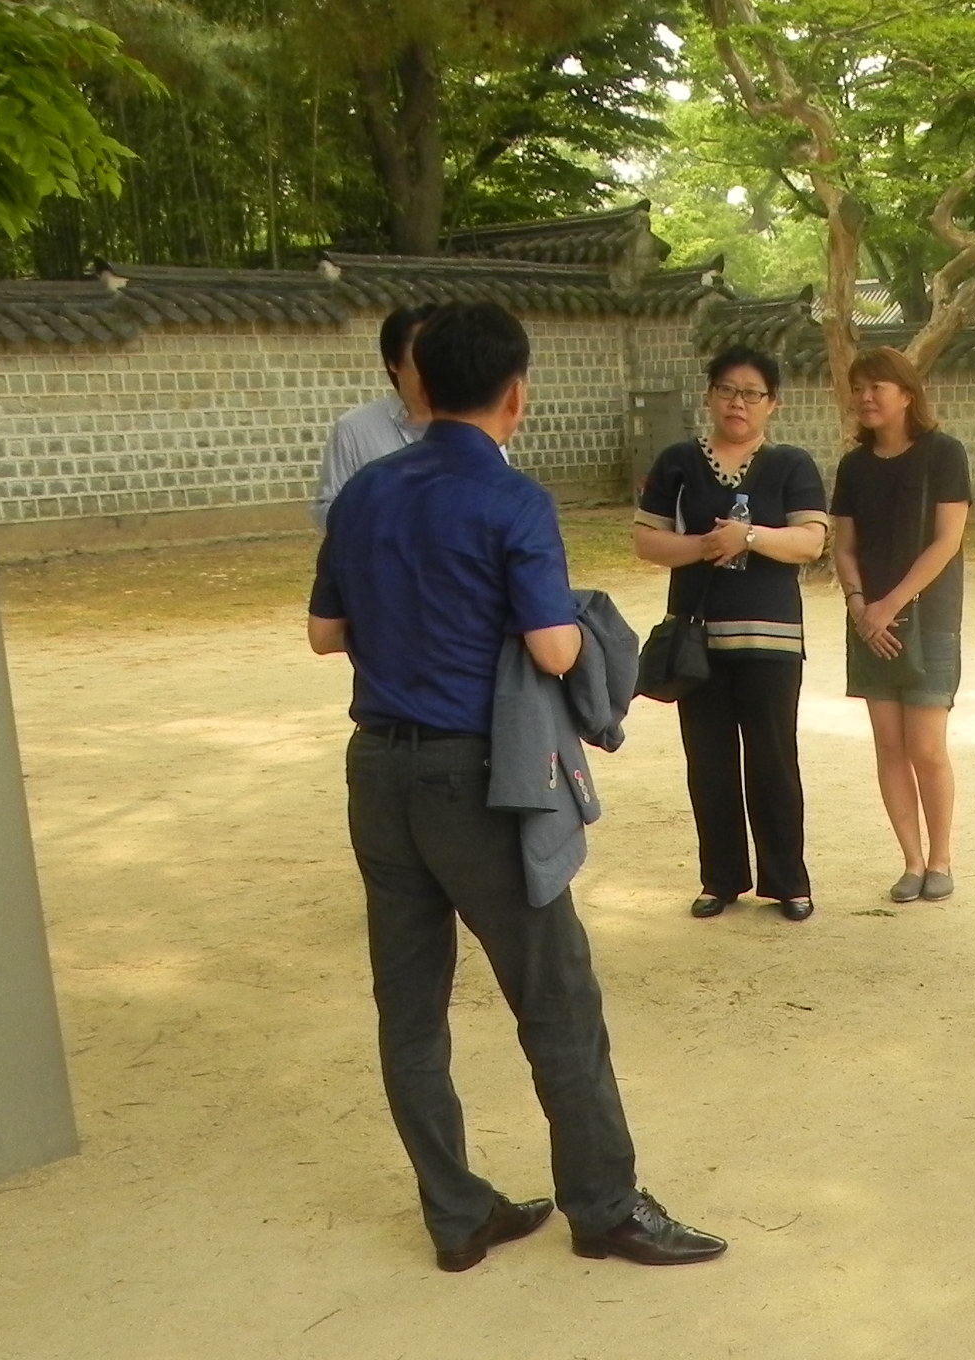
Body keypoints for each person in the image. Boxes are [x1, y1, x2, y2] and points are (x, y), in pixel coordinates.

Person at [308, 302, 724, 1270]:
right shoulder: (512, 499)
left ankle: (456, 1213)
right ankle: (604, 1205)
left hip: (378, 768)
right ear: (515, 394)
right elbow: (552, 646)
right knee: (555, 996)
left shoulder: (365, 491)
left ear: (417, 384)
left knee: (410, 1007)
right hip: (478, 774)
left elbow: (325, 633)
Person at [632, 346, 831, 921]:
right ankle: (720, 879)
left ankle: (788, 882)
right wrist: (704, 545)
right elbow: (646, 541)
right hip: (697, 640)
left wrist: (748, 537)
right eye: (726, 390)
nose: (737, 403)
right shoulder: (677, 462)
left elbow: (810, 541)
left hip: (771, 641)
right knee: (709, 762)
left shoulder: (791, 465)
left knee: (774, 760)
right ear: (709, 395)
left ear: (772, 403)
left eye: (751, 393)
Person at [830, 347, 973, 903]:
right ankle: (911, 862)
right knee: (889, 745)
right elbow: (844, 546)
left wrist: (890, 603)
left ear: (907, 394)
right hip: (870, 621)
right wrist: (860, 605)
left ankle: (941, 858)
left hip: (929, 618)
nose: (864, 397)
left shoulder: (944, 454)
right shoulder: (853, 466)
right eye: (858, 388)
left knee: (926, 747)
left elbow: (947, 541)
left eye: (877, 387)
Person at [312, 303, 437, 526]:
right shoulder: (354, 429)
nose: (433, 368)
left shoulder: (476, 423)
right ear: (394, 363)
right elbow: (326, 509)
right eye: (421, 357)